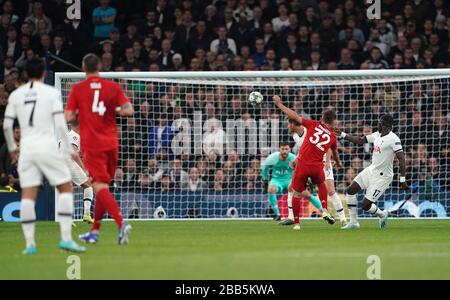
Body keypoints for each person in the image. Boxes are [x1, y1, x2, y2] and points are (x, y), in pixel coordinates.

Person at [3, 58, 85, 254]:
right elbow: (59, 124)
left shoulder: (16, 94)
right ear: (43, 74)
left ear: (25, 75)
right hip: (48, 147)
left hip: (28, 148)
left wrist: (13, 147)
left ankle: (30, 244)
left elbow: (6, 125)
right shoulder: (51, 93)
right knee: (65, 188)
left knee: (28, 195)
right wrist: (68, 149)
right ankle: (65, 238)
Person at [65, 53, 134, 245]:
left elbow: (69, 117)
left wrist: (81, 112)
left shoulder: (78, 89)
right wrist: (113, 110)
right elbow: (129, 110)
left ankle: (121, 223)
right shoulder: (112, 87)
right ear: (100, 66)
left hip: (93, 144)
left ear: (83, 68)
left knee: (99, 187)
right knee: (102, 186)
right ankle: (94, 231)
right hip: (112, 144)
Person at [273, 95, 339, 230]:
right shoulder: (332, 137)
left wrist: (280, 105)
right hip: (316, 166)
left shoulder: (312, 125)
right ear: (333, 122)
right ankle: (324, 209)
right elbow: (334, 152)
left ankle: (296, 223)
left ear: (321, 118)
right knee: (321, 184)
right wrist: (337, 163)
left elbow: (295, 116)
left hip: (303, 166)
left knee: (296, 193)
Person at [335, 114, 409, 229]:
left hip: (383, 177)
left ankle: (382, 214)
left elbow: (402, 159)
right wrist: (342, 135)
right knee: (350, 190)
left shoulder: (394, 139)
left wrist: (402, 179)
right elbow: (360, 141)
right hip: (371, 170)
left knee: (365, 205)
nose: (377, 124)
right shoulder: (377, 135)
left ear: (385, 125)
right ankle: (353, 222)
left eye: (379, 122)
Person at [60, 120, 94, 224]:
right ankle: (87, 214)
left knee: (67, 190)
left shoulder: (68, 135)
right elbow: (74, 154)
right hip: (68, 162)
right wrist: (84, 169)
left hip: (59, 164)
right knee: (88, 186)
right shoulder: (75, 136)